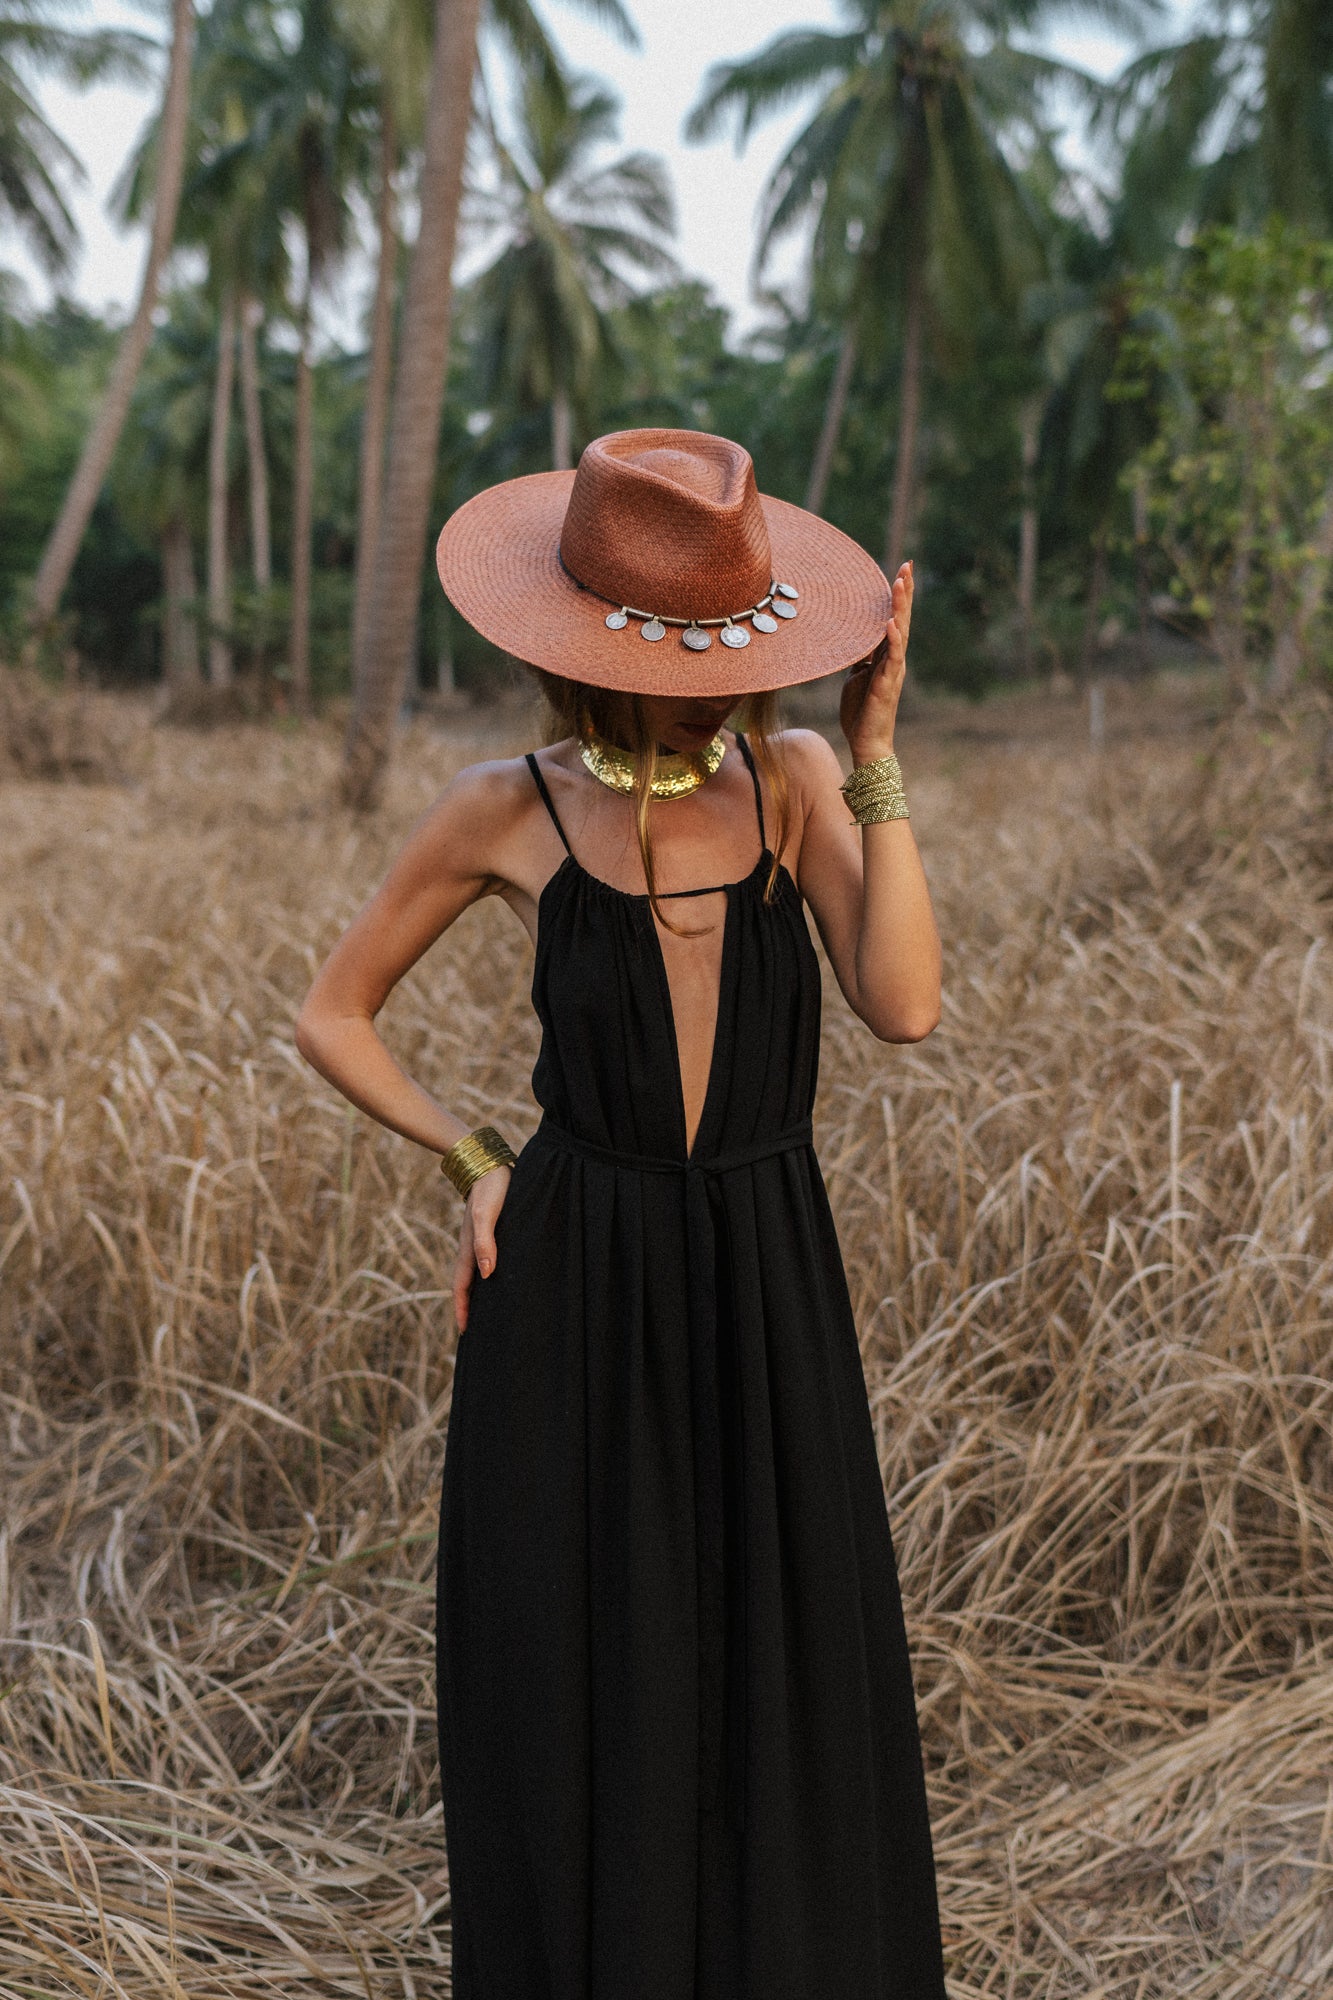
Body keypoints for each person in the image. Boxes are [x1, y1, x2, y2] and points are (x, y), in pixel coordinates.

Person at [296, 428, 946, 1999]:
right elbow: (333, 1015)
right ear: (583, 648)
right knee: (591, 1659)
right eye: (672, 656)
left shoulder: (792, 781)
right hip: (577, 1283)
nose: (711, 689)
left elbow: (905, 1006)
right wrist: (474, 1161)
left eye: (729, 652)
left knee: (782, 1642)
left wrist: (872, 752)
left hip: (767, 1271)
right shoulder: (500, 807)